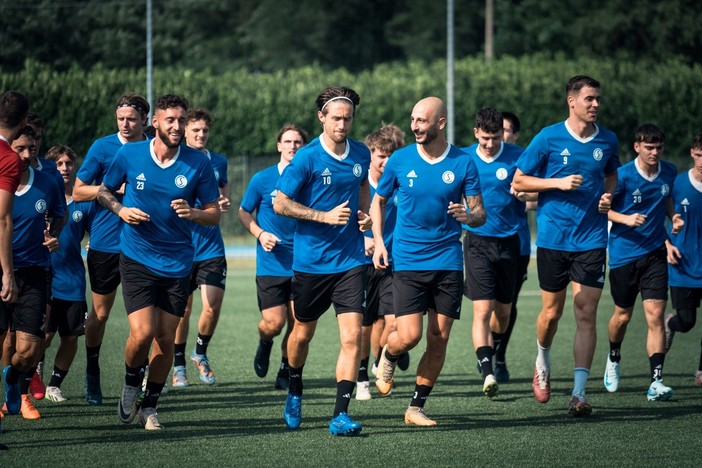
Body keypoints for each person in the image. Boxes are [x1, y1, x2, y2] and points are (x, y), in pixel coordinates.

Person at [97, 94, 220, 430]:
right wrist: (120, 209)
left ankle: (149, 405)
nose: (177, 126)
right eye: (170, 120)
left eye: (182, 120)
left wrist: (194, 213)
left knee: (165, 338)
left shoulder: (198, 163)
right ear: (156, 123)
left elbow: (214, 214)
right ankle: (129, 384)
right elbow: (104, 191)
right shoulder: (130, 153)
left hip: (178, 263)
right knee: (143, 332)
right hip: (136, 256)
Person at [372, 97, 485, 426]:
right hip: (408, 260)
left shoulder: (463, 163)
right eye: (413, 119)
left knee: (439, 338)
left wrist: (470, 215)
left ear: (440, 123)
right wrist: (379, 242)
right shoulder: (400, 160)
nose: (415, 126)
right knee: (409, 336)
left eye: (422, 120)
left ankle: (415, 408)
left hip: (448, 261)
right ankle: (389, 354)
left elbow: (480, 213)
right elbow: (378, 202)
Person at [512, 75, 620, 417]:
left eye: (598, 99)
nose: (595, 104)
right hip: (554, 239)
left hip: (591, 239)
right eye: (589, 99)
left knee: (586, 312)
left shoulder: (609, 139)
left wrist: (608, 197)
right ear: (571, 101)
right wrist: (556, 182)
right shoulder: (548, 137)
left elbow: (611, 174)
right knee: (551, 313)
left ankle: (578, 393)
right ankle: (542, 359)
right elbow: (519, 180)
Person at [273, 86, 372, 436]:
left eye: (347, 118)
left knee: (352, 338)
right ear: (322, 118)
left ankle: (340, 415)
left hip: (350, 261)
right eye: (336, 118)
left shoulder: (361, 153)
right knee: (301, 334)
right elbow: (281, 203)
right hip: (312, 263)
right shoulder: (307, 158)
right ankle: (295, 388)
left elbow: (363, 188)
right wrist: (322, 216)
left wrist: (364, 217)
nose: (342, 124)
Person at [73, 92, 150, 405]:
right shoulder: (102, 147)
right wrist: (117, 189)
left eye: (132, 119)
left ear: (145, 119)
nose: (126, 124)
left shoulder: (155, 149)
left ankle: (139, 375)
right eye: (121, 119)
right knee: (101, 314)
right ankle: (93, 371)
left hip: (144, 245)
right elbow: (78, 191)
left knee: (143, 321)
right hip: (106, 244)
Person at [603, 124, 681, 400]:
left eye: (658, 147)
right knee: (622, 316)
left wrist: (674, 217)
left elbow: (668, 197)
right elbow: (602, 209)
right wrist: (626, 219)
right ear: (637, 147)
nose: (654, 152)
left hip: (655, 255)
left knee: (656, 317)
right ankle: (613, 356)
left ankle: (656, 381)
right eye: (649, 147)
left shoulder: (669, 171)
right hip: (624, 256)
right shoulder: (621, 177)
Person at [462, 108, 525, 399]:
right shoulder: (464, 158)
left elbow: (534, 191)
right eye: (486, 138)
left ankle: (493, 350)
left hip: (510, 243)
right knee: (482, 310)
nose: (490, 143)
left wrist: (527, 195)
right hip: (476, 243)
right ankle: (487, 370)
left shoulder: (517, 157)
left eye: (496, 137)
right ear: (476, 132)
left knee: (503, 312)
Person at [2, 125, 64, 420]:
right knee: (4, 341)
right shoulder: (2, 183)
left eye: (32, 149)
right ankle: (12, 398)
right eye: (20, 149)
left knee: (30, 350)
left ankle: (14, 381)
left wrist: (54, 235)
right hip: (2, 272)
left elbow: (59, 216)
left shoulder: (48, 183)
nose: (27, 155)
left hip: (35, 272)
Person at [239, 123, 308, 390]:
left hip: (303, 264)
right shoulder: (262, 179)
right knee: (274, 323)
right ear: (279, 145)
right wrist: (259, 234)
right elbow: (244, 213)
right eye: (288, 141)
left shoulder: (309, 179)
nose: (292, 146)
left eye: (298, 142)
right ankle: (265, 341)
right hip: (270, 264)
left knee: (297, 325)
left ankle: (285, 368)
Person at [171, 108, 231, 388]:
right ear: (184, 131)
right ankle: (179, 364)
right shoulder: (175, 161)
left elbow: (223, 198)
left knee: (212, 307)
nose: (201, 135)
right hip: (181, 247)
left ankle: (200, 353)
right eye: (195, 130)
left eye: (205, 130)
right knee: (182, 311)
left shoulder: (219, 161)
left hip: (211, 248)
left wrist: (224, 204)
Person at [356, 123, 406, 401]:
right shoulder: (359, 183)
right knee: (363, 326)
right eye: (381, 156)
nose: (386, 162)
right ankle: (361, 378)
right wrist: (362, 238)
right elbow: (348, 219)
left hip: (392, 262)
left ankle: (380, 361)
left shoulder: (399, 183)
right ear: (371, 157)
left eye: (390, 156)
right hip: (362, 263)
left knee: (395, 321)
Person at [43, 145, 94, 402]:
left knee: (71, 336)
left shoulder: (83, 203)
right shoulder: (42, 198)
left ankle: (54, 384)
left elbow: (97, 231)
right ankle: (31, 375)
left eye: (68, 164)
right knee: (44, 335)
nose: (65, 168)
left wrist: (93, 242)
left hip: (73, 279)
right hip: (44, 277)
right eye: (59, 164)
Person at [488, 110, 531, 383]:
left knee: (508, 304)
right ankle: (486, 353)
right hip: (482, 242)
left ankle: (499, 353)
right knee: (486, 303)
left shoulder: (521, 157)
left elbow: (541, 191)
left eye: (504, 131)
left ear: (514, 135)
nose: (499, 137)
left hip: (518, 244)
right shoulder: (477, 157)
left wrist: (528, 194)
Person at [664, 132, 702, 385]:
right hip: (683, 265)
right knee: (686, 321)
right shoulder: (676, 184)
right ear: (692, 153)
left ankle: (701, 370)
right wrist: (666, 244)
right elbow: (657, 215)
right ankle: (670, 323)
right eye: (699, 155)